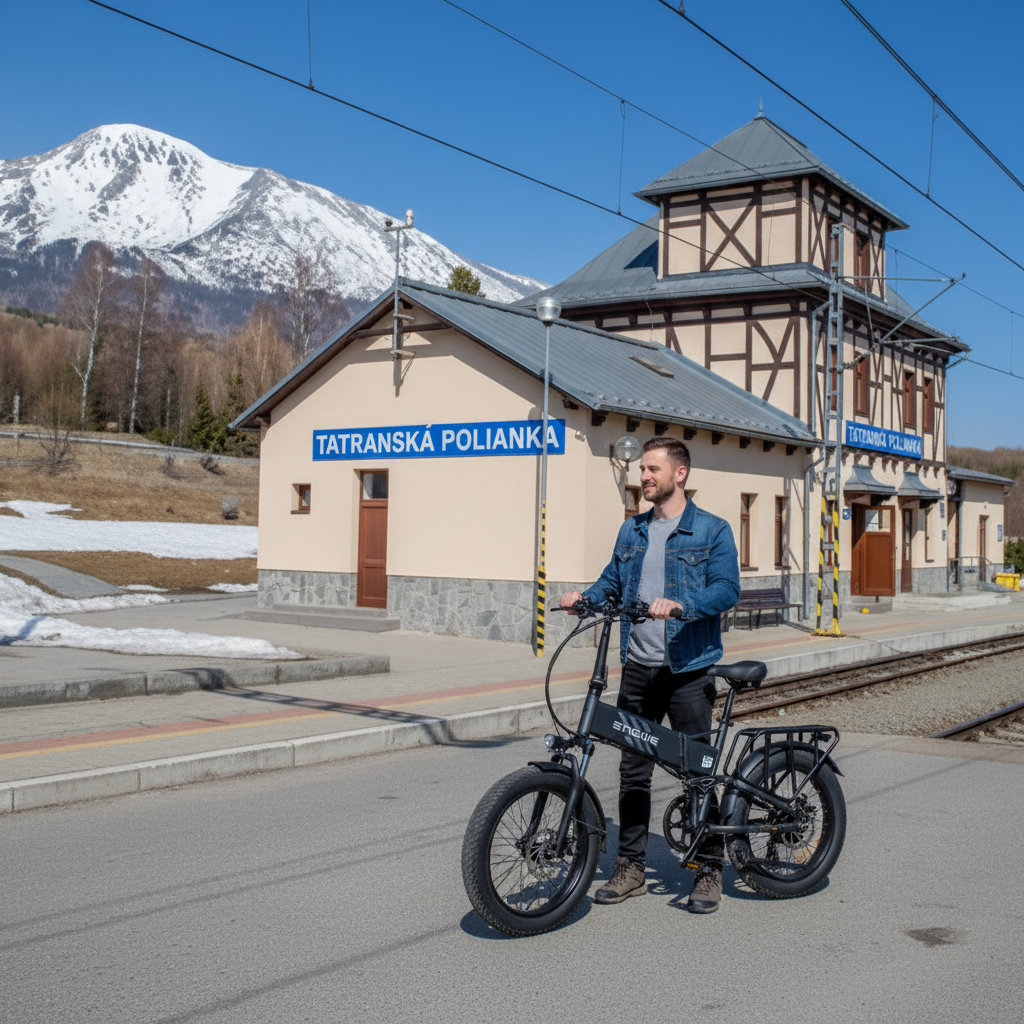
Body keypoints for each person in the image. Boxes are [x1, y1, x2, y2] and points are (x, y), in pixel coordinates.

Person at [560, 436, 740, 914]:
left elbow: (727, 589)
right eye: (642, 469)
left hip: (687, 669)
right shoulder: (632, 530)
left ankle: (708, 869)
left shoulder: (713, 530)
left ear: (679, 474)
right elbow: (612, 581)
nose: (643, 476)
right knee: (633, 772)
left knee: (698, 773)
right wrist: (585, 598)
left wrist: (683, 604)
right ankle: (631, 866)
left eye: (652, 469)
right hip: (638, 667)